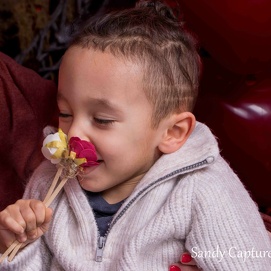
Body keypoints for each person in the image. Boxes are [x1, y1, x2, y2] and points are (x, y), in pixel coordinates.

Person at [0, 1, 270, 270]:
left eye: (102, 120)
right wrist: (16, 246)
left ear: (172, 133)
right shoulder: (48, 182)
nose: (74, 134)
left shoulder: (203, 189)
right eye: (65, 113)